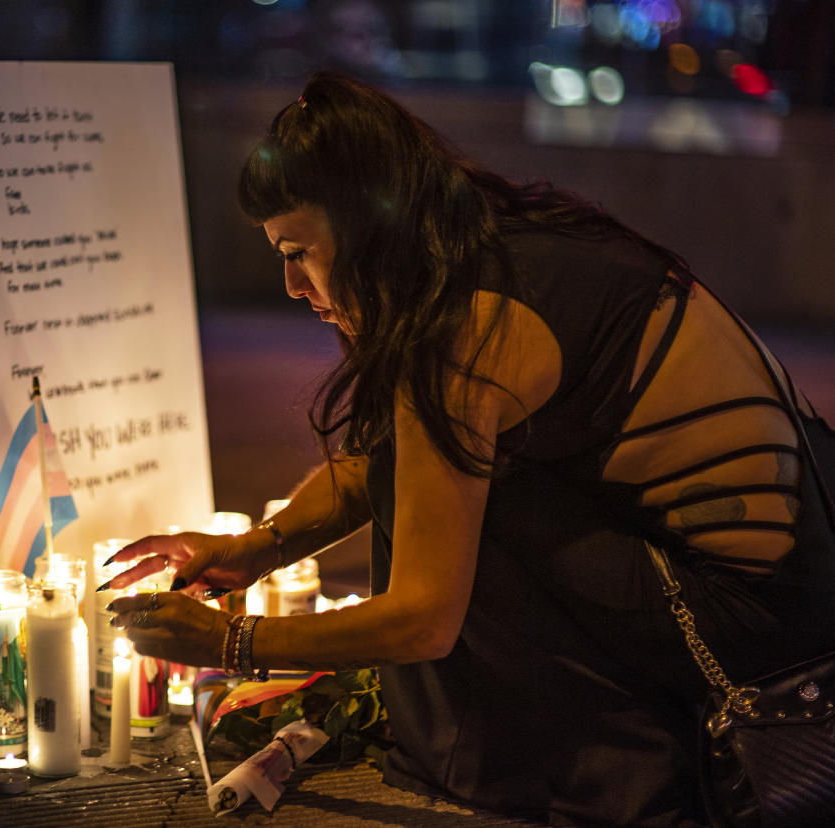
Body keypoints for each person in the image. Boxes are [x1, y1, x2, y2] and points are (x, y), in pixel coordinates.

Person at [100, 71, 835, 826]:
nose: (291, 284)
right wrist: (257, 549)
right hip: (786, 579)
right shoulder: (471, 244)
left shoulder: (470, 325)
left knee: (469, 504)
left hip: (753, 619)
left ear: (362, 229)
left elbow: (424, 616)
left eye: (298, 250)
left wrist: (236, 640)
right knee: (449, 480)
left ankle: (580, 780)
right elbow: (384, 460)